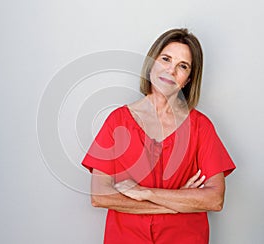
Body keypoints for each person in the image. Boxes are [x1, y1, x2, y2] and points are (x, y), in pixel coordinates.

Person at [81, 28, 236, 244]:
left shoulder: (201, 126)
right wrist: (177, 203)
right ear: (152, 63)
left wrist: (145, 193)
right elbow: (100, 196)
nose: (171, 70)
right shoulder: (118, 121)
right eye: (165, 59)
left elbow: (214, 199)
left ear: (188, 79)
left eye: (182, 66)